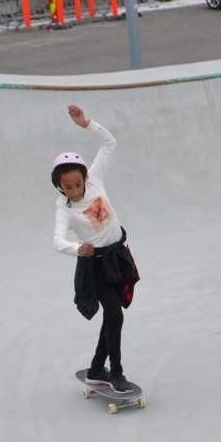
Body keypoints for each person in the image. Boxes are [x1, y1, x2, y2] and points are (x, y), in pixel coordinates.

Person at [51, 105, 138, 394]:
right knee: (115, 316)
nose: (75, 190)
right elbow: (57, 240)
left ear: (85, 177)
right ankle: (116, 374)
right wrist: (77, 248)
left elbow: (109, 143)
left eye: (78, 183)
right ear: (60, 187)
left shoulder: (95, 179)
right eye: (69, 187)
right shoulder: (63, 208)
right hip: (97, 264)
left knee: (113, 316)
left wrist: (87, 124)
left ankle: (97, 368)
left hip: (119, 254)